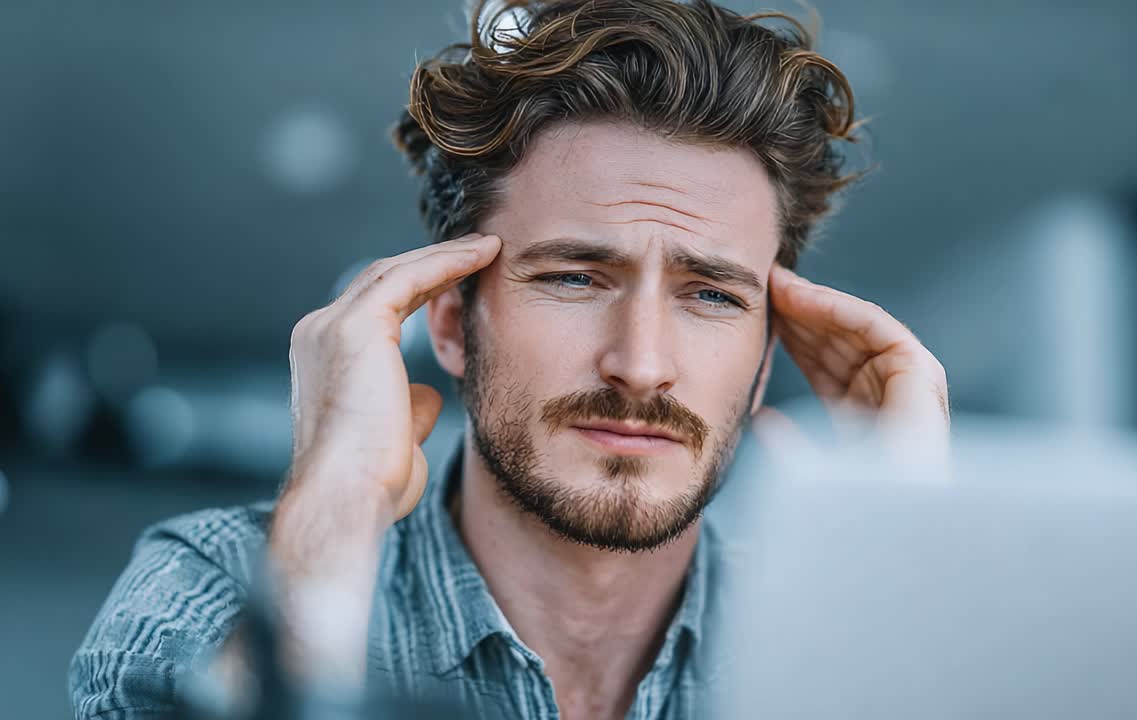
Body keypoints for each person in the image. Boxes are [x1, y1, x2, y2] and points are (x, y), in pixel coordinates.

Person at [69, 1, 950, 718]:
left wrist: (911, 554)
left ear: (763, 362)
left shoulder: (840, 640)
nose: (641, 365)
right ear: (452, 322)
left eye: (712, 295)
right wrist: (335, 508)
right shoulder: (209, 587)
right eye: (574, 278)